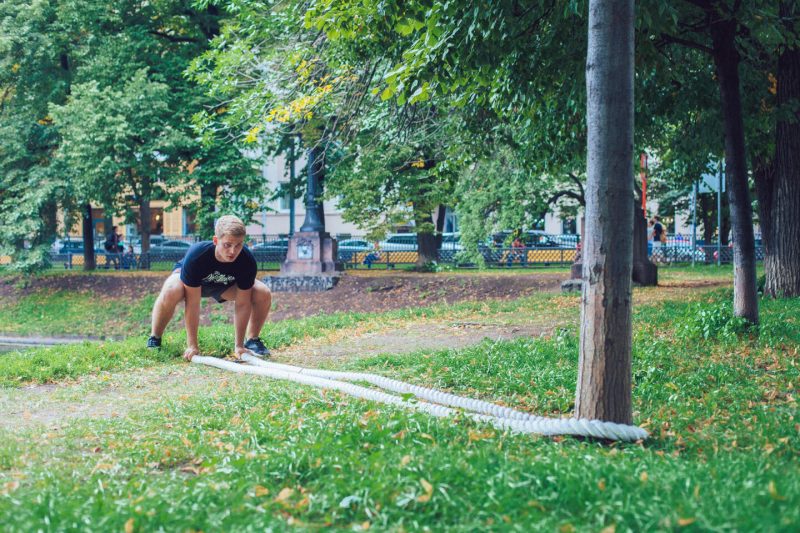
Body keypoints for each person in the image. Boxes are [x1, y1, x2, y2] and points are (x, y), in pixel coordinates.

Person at [147, 215, 272, 361]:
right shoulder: (197, 255)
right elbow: (193, 304)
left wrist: (238, 346)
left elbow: (243, 304)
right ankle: (155, 337)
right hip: (191, 282)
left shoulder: (247, 260)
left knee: (262, 292)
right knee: (171, 290)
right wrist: (192, 345)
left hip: (224, 284)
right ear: (215, 240)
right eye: (227, 245)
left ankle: (252, 340)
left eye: (238, 245)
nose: (233, 251)